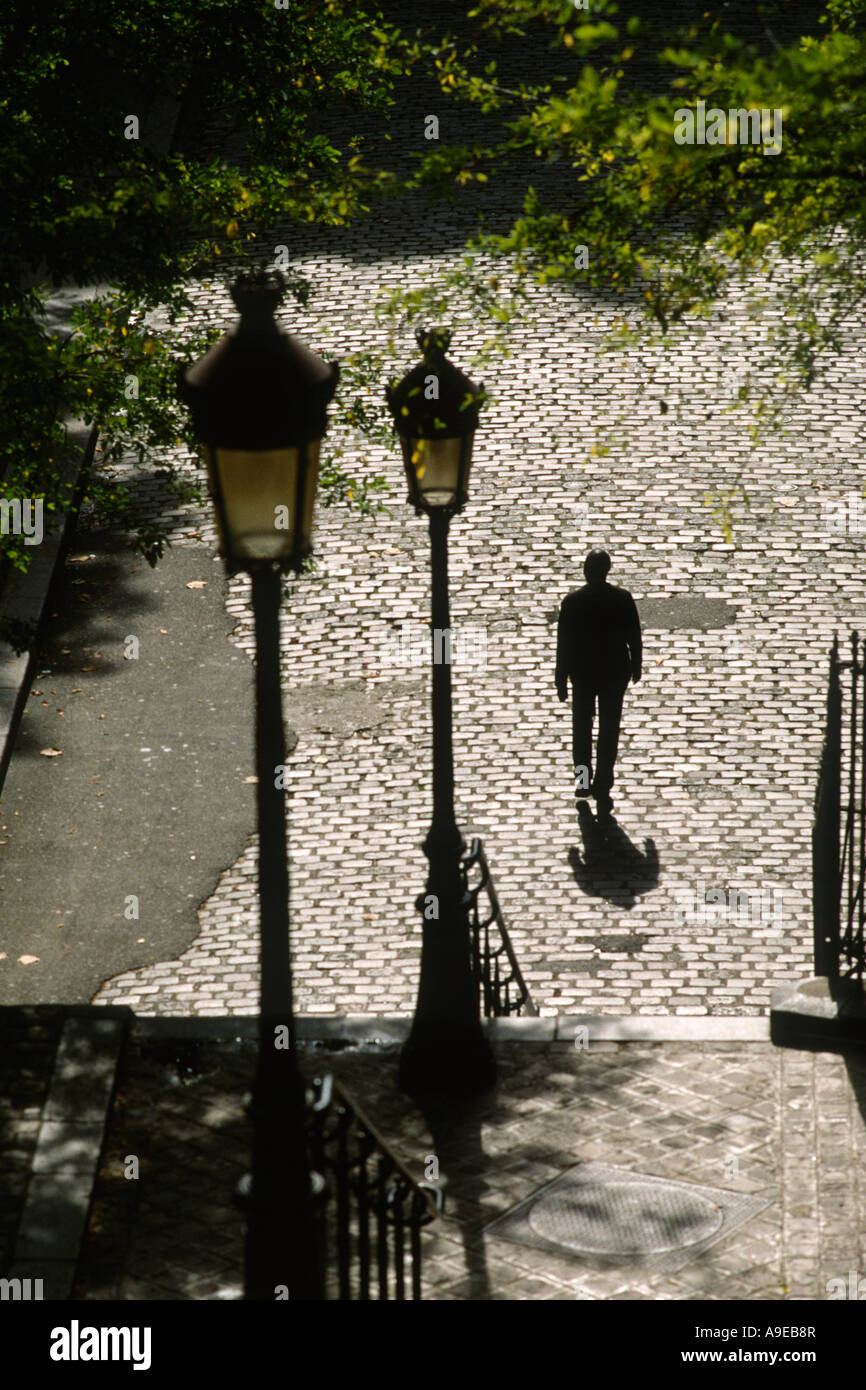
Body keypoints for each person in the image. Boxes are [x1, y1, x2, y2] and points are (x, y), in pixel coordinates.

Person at [555, 550, 642, 819]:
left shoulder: (573, 602)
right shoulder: (622, 599)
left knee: (581, 730)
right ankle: (603, 781)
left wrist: (561, 678)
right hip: (614, 672)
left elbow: (564, 644)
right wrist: (636, 664)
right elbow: (634, 636)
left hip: (583, 674)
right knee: (608, 730)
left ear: (586, 571)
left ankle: (582, 782)